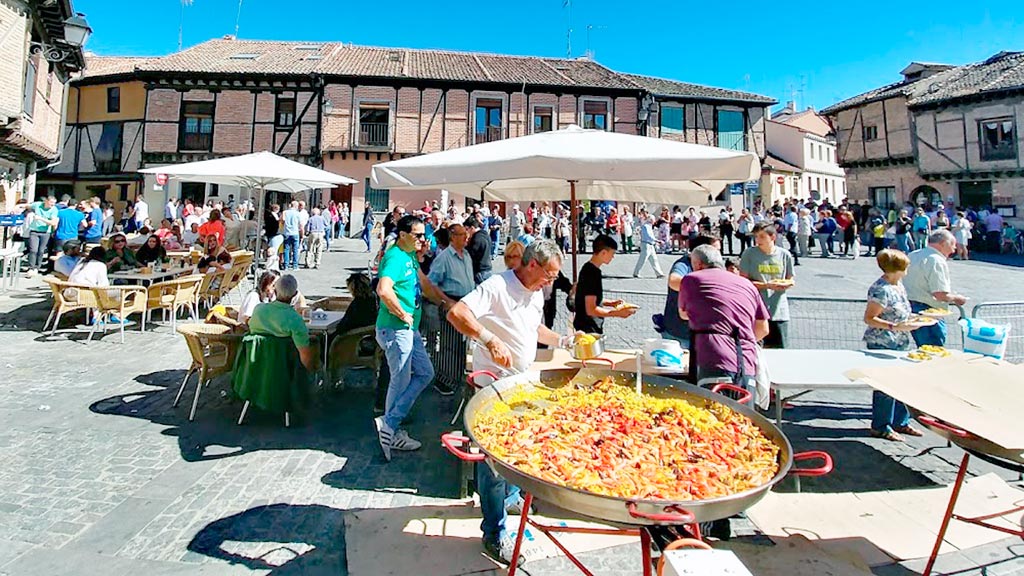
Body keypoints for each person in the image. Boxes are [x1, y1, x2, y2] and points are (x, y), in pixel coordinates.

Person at [447, 239, 571, 565]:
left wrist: (564, 340)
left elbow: (534, 328)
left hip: (519, 386)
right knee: (494, 465)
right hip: (493, 389)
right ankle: (494, 533)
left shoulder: (534, 293)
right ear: (531, 265)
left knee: (518, 453)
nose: (551, 282)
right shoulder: (497, 286)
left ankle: (512, 498)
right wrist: (488, 338)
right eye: (549, 275)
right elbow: (457, 312)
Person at [373, 215, 446, 462]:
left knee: (425, 373)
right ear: (403, 235)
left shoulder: (411, 256)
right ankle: (392, 432)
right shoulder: (394, 257)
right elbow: (383, 289)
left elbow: (424, 285)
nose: (423, 239)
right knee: (400, 380)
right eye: (418, 235)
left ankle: (389, 423)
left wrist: (447, 303)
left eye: (424, 234)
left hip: (408, 329)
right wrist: (402, 312)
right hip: (395, 328)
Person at [679, 244, 770, 388]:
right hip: (746, 360)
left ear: (698, 264)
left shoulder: (692, 279)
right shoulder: (748, 285)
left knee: (712, 409)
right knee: (744, 409)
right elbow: (763, 328)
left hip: (713, 356)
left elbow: (684, 314)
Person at [862, 249, 923, 442]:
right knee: (885, 387)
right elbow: (870, 318)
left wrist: (917, 319)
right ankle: (881, 426)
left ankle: (900, 421)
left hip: (900, 342)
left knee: (901, 383)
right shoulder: (881, 289)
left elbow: (902, 312)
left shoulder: (898, 286)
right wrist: (894, 326)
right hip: (883, 343)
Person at [903, 229, 967, 347]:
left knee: (922, 347)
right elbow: (940, 294)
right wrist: (957, 298)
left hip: (910, 307)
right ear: (943, 243)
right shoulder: (936, 260)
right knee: (933, 349)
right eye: (952, 245)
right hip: (929, 312)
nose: (954, 249)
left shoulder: (913, 255)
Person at [739, 223, 795, 349]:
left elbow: (791, 280)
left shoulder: (784, 255)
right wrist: (766, 285)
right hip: (756, 312)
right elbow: (743, 282)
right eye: (756, 237)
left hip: (779, 312)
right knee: (756, 350)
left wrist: (782, 284)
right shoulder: (749, 254)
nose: (757, 240)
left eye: (762, 237)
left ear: (773, 237)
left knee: (780, 350)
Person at [247, 274, 317, 371]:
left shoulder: (258, 310)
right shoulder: (295, 319)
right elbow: (305, 356)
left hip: (256, 365)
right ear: (294, 295)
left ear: (275, 291)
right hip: (284, 369)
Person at [662, 235, 719, 347]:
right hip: (680, 332)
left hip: (705, 332)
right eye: (716, 250)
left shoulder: (716, 267)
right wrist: (703, 287)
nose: (719, 255)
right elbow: (673, 281)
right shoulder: (684, 264)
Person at [574, 234, 635, 334]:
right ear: (603, 253)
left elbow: (589, 297)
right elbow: (591, 309)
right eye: (612, 253)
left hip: (587, 324)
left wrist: (610, 303)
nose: (613, 257)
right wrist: (617, 313)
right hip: (589, 326)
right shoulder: (592, 273)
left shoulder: (588, 269)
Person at [26, 196, 59, 275]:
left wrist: (40, 218)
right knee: (33, 250)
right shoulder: (38, 205)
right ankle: (31, 267)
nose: (52, 204)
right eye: (51, 203)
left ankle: (37, 267)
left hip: (45, 232)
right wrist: (17, 207)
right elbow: (27, 206)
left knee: (41, 251)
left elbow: (53, 223)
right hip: (34, 231)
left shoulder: (54, 210)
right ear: (46, 201)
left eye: (54, 203)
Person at [632, 209, 664, 278]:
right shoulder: (646, 226)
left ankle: (659, 273)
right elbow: (649, 236)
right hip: (646, 245)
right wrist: (657, 240)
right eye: (653, 219)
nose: (654, 221)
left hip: (650, 245)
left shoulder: (649, 227)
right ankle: (636, 272)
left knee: (654, 259)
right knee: (642, 260)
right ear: (650, 220)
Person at [464, 214, 493, 285]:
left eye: (467, 229)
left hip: (480, 271)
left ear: (472, 228)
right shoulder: (485, 235)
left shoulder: (477, 239)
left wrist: (466, 245)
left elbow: (469, 254)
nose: (466, 232)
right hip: (487, 269)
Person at [281, 201, 302, 270]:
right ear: (296, 206)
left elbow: (282, 220)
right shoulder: (298, 213)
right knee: (295, 249)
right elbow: (300, 224)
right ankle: (295, 266)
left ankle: (286, 265)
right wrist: (301, 232)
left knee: (286, 249)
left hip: (287, 232)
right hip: (295, 232)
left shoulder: (285, 212)